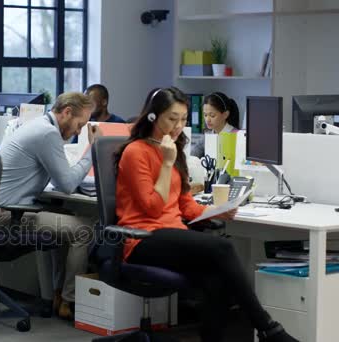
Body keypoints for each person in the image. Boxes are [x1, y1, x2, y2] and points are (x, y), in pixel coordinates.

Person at [114, 87, 298, 342]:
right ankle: (270, 330)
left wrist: (217, 211)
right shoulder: (136, 152)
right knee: (222, 249)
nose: (178, 126)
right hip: (142, 237)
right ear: (153, 117)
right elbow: (153, 208)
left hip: (171, 234)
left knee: (217, 278)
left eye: (183, 119)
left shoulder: (174, 147)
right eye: (171, 119)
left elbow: (185, 204)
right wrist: (167, 163)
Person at [0, 92, 100, 319]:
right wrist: (93, 150)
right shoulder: (47, 133)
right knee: (84, 230)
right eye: (79, 124)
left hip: (1, 212)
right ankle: (69, 302)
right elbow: (68, 184)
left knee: (66, 216)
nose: (79, 131)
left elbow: (57, 179)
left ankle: (57, 295)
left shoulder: (39, 126)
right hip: (7, 217)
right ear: (67, 112)